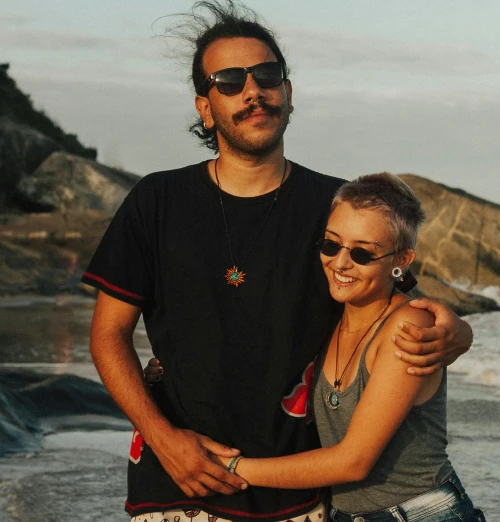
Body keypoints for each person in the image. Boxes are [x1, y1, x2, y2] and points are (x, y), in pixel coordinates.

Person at [81, 2, 473, 521]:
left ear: (288, 93)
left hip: (300, 494)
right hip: (175, 482)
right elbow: (108, 335)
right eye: (229, 80)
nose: (253, 91)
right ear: (204, 107)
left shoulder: (336, 207)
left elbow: (397, 303)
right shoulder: (157, 201)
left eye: (267, 75)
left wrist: (458, 333)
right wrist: (164, 438)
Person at [148, 174, 486, 522]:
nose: (340, 263)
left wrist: (228, 468)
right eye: (331, 245)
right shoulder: (331, 318)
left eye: (362, 253)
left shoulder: (408, 326)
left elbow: (353, 462)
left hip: (421, 514)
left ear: (401, 258)